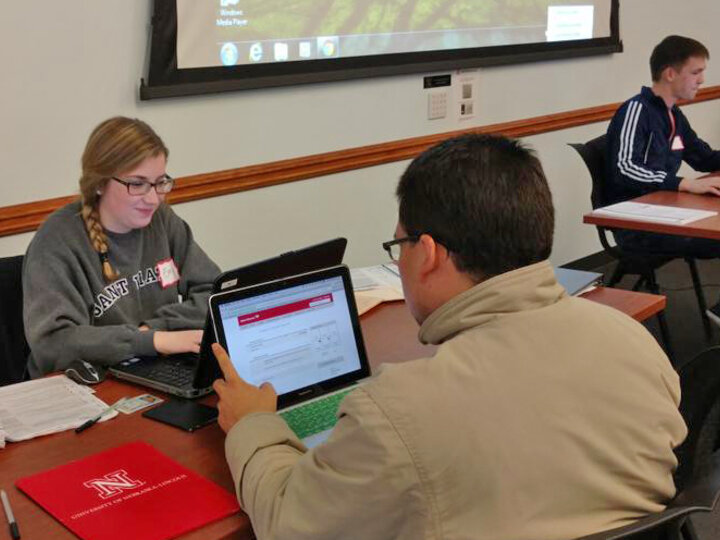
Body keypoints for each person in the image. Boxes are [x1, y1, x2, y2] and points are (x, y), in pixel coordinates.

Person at [211, 133, 686, 540]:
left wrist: (253, 423)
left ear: (430, 253)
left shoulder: (400, 410)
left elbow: (290, 523)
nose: (400, 261)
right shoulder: (633, 341)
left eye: (399, 246)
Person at [23, 116, 220, 377]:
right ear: (100, 183)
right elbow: (53, 344)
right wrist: (151, 341)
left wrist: (154, 331)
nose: (152, 199)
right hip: (83, 382)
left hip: (152, 367)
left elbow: (215, 293)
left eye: (160, 182)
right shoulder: (57, 240)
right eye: (137, 184)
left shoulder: (161, 220)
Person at [605, 35, 720, 320]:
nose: (701, 80)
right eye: (695, 72)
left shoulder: (673, 116)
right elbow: (624, 167)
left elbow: (703, 157)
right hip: (638, 225)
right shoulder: (636, 110)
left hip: (667, 213)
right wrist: (682, 183)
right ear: (670, 73)